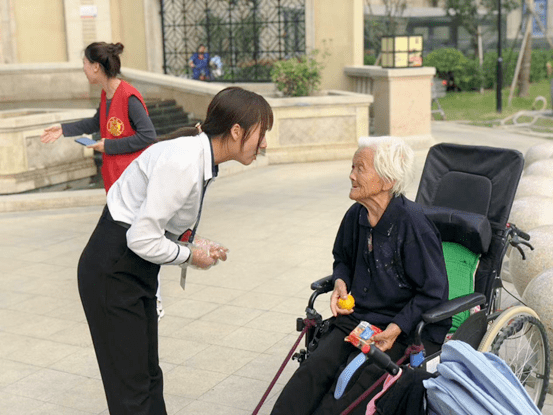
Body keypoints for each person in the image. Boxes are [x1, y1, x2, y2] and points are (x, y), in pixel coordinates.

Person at [77, 86, 273, 415]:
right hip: (113, 271)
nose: (264, 143)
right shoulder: (184, 161)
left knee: (148, 378)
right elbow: (140, 238)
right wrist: (190, 255)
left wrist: (192, 244)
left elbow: (153, 226)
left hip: (130, 269)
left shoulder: (196, 156)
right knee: (132, 389)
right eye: (261, 133)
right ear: (236, 131)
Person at [270, 137, 451, 415]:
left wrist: (396, 328)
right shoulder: (357, 215)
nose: (351, 175)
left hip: (404, 328)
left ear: (387, 180)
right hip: (358, 319)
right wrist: (340, 282)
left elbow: (433, 292)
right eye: (352, 167)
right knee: (313, 370)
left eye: (360, 168)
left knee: (353, 386)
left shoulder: (414, 225)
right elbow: (341, 258)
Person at [40, 41, 156, 193]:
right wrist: (63, 129)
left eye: (85, 63)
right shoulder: (106, 93)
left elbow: (148, 136)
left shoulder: (128, 97)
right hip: (117, 179)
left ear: (95, 67)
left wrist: (108, 146)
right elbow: (96, 122)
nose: (83, 68)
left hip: (132, 180)